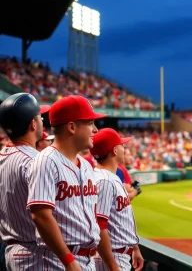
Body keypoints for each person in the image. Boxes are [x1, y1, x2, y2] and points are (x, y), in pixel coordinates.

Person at [26, 95, 107, 271]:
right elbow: (41, 215)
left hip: (87, 259)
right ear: (72, 127)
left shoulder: (85, 164)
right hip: (59, 261)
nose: (95, 130)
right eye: (90, 123)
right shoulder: (46, 161)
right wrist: (68, 260)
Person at [0, 93, 50, 270]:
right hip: (38, 255)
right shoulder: (36, 161)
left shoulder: (3, 155)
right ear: (33, 124)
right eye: (40, 117)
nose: (42, 120)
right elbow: (45, 216)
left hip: (13, 252)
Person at [90, 128, 144, 271]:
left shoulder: (109, 177)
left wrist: (134, 247)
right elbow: (99, 226)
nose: (124, 147)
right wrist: (113, 267)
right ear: (114, 151)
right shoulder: (104, 180)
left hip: (119, 254)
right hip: (111, 257)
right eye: (121, 145)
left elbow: (122, 220)